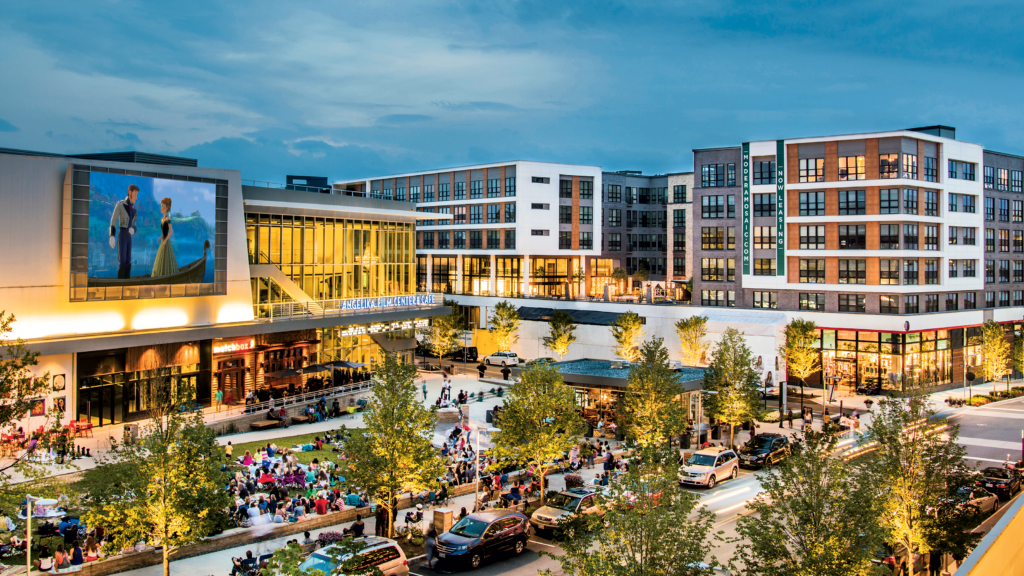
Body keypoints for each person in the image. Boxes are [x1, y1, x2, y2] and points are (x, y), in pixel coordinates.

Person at [107, 183, 139, 279]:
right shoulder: (120, 204)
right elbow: (114, 219)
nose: (136, 197)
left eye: (137, 195)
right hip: (122, 234)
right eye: (135, 194)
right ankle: (120, 283)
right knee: (122, 260)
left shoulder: (134, 210)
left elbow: (135, 225)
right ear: (129, 192)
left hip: (129, 237)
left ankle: (127, 281)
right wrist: (112, 235)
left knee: (129, 259)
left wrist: (133, 229)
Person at [151, 197, 179, 277]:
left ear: (167, 208)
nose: (161, 208)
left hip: (166, 242)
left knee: (167, 259)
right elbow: (164, 232)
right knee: (161, 259)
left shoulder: (167, 219)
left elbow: (171, 232)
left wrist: (165, 241)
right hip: (163, 240)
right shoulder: (162, 219)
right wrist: (160, 237)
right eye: (161, 206)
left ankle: (168, 276)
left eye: (163, 206)